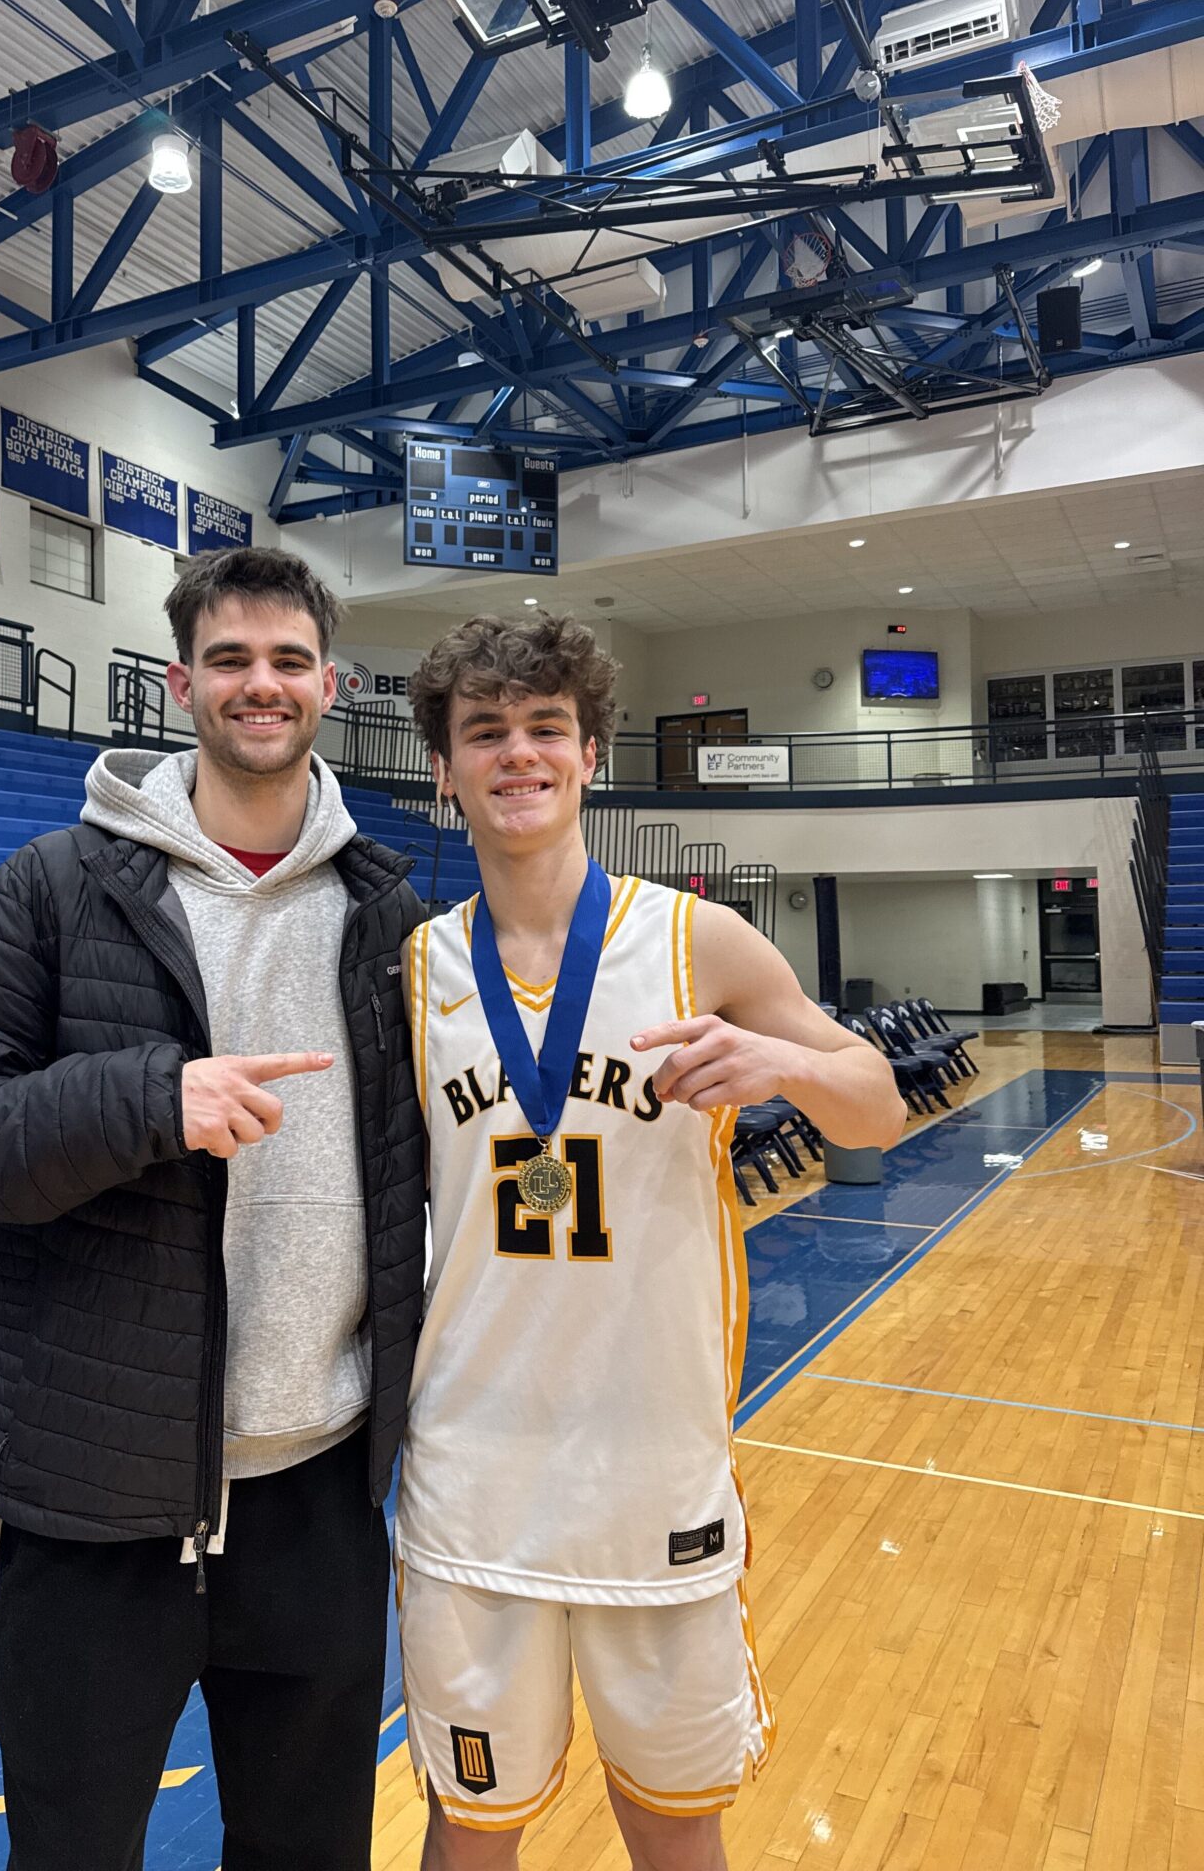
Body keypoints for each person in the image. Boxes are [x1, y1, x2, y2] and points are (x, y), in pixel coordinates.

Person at [0, 547, 428, 1871]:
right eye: (231, 659)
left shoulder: (386, 912)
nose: (262, 684)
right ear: (180, 684)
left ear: (329, 686)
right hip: (98, 1509)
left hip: (317, 1492)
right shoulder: (57, 887)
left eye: (289, 660)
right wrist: (147, 1100)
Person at [397, 613, 905, 1871]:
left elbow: (879, 1105)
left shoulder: (697, 940)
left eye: (545, 730)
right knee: (467, 1827)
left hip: (655, 1465)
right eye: (486, 733)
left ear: (589, 753)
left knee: (674, 1823)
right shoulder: (411, 968)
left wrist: (786, 1060)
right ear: (445, 772)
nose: (518, 754)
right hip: (473, 1475)